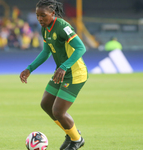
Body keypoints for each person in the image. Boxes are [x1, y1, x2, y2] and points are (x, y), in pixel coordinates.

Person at [19, 0, 88, 149]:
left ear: (52, 13)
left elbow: (81, 48)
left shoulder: (63, 26)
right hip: (61, 72)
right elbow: (46, 51)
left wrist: (64, 66)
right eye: (37, 15)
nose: (39, 19)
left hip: (75, 73)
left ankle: (76, 140)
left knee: (58, 111)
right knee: (46, 104)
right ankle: (72, 133)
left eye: (43, 15)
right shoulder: (45, 28)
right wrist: (29, 68)